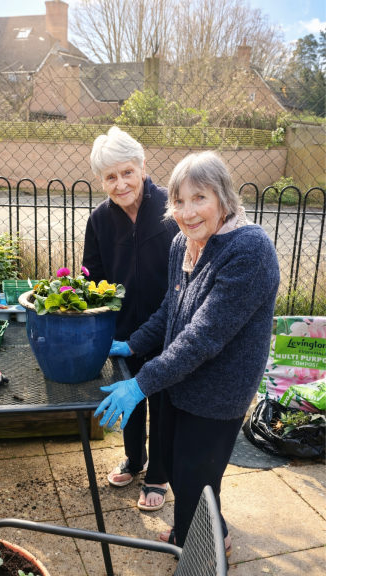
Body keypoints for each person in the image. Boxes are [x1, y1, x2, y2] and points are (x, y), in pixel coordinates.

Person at [94, 151, 279, 555]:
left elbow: (203, 335)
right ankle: (195, 532)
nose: (187, 211)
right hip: (181, 381)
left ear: (224, 199)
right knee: (182, 471)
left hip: (218, 392)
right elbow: (171, 310)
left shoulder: (250, 250)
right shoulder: (184, 242)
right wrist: (135, 343)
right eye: (178, 200)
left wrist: (140, 383)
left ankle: (206, 550)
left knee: (197, 476)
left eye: (200, 198)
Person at [82, 126, 180, 511]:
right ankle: (134, 458)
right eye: (110, 176)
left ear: (142, 166)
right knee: (130, 400)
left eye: (126, 172)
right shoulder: (100, 220)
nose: (120, 184)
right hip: (124, 331)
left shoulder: (172, 209)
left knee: (163, 401)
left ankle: (158, 473)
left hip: (169, 327)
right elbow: (93, 277)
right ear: (100, 180)